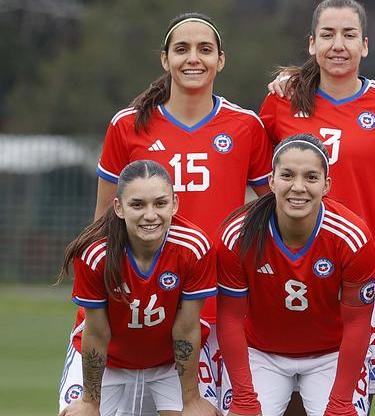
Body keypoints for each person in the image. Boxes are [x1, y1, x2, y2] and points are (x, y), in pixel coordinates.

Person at [84, 12, 272, 412]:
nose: (193, 58)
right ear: (164, 59)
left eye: (205, 49)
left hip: (213, 308)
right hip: (135, 306)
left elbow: (275, 208)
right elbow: (103, 222)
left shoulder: (245, 126)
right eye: (182, 49)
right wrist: (98, 304)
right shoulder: (128, 125)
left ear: (221, 59)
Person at [258, 0, 375, 399]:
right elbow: (259, 175)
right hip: (289, 275)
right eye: (327, 35)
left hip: (362, 279)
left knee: (353, 401)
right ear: (312, 44)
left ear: (365, 45)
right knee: (287, 397)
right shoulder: (281, 102)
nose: (337, 44)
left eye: (348, 35)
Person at [216, 134, 375, 416]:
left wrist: (339, 401)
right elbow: (230, 319)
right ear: (272, 180)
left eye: (311, 177)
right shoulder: (238, 234)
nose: (298, 187)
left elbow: (358, 324)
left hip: (330, 354)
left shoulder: (352, 236)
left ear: (326, 185)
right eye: (287, 175)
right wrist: (243, 395)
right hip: (261, 353)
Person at [57, 160, 218, 416]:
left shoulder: (194, 248)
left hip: (168, 363)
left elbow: (186, 329)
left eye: (160, 203)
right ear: (119, 208)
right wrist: (90, 401)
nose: (150, 215)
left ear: (174, 204)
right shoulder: (96, 254)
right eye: (137, 204)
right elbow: (97, 334)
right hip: (108, 361)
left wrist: (191, 400)